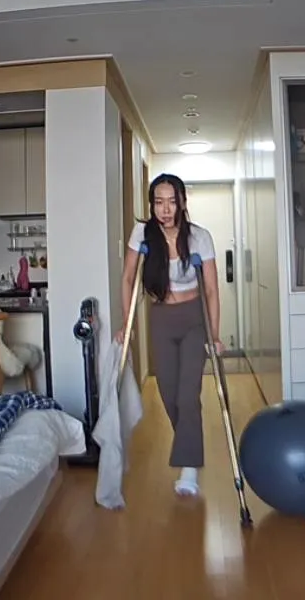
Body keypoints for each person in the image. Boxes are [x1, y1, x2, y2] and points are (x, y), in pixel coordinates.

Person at [115, 173, 223, 497]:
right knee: (169, 393)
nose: (165, 209)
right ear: (152, 205)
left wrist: (214, 334)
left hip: (194, 320)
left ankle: (189, 469)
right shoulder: (142, 234)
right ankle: (191, 446)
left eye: (172, 202)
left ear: (183, 202)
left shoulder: (200, 238)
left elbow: (212, 290)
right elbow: (128, 278)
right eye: (158, 202)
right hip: (161, 318)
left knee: (188, 395)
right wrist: (127, 323)